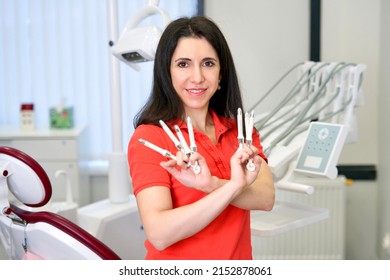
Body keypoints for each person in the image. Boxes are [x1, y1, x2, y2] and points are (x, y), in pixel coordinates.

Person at [127, 16, 275, 260]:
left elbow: (266, 198)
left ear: (221, 73)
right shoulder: (151, 138)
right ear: (167, 72)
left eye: (208, 63)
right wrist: (234, 186)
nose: (197, 77)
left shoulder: (241, 131)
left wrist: (211, 184)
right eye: (183, 64)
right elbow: (159, 233)